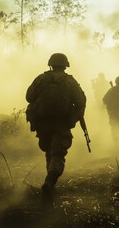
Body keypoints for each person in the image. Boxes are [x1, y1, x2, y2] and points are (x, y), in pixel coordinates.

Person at [26, 53, 86, 206]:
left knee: (49, 152)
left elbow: (29, 97)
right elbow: (80, 101)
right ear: (65, 65)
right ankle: (50, 182)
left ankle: (49, 186)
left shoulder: (41, 78)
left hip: (43, 124)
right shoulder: (70, 81)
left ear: (50, 64)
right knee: (58, 155)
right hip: (62, 124)